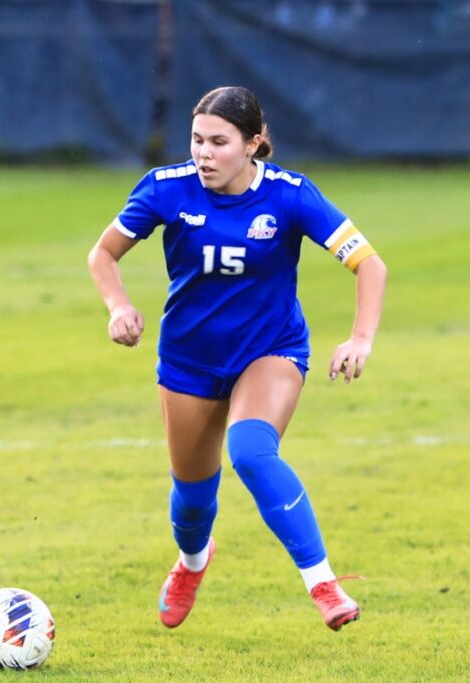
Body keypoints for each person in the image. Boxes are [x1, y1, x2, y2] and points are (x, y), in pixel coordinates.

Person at [88, 86, 386, 632]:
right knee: (192, 502)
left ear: (254, 143)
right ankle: (191, 564)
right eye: (197, 140)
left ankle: (323, 584)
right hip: (189, 360)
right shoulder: (165, 189)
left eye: (219, 142)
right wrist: (118, 307)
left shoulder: (291, 195)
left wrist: (360, 339)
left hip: (269, 350)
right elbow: (102, 253)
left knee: (251, 452)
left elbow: (370, 265)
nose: (204, 153)